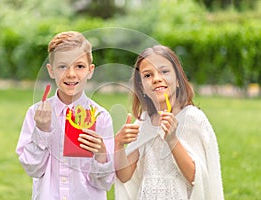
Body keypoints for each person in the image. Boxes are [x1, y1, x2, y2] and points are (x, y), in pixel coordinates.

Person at [114, 45, 224, 199]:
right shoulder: (144, 123)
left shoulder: (192, 118)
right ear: (142, 88)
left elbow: (196, 177)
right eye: (147, 75)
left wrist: (172, 140)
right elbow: (124, 176)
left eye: (164, 71)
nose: (157, 78)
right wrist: (118, 144)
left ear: (178, 80)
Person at [16, 31, 114, 200]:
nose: (71, 74)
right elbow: (32, 169)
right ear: (51, 70)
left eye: (80, 66)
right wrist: (42, 131)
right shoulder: (36, 114)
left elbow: (104, 183)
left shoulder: (101, 117)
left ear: (90, 71)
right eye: (62, 66)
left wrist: (101, 154)